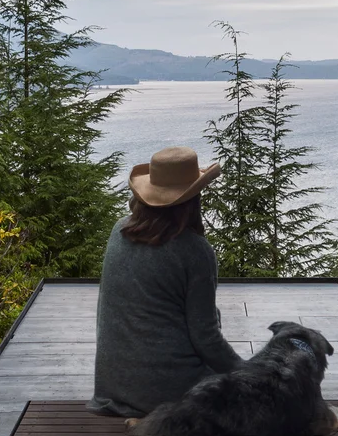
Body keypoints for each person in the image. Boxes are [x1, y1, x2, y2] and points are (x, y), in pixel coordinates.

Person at [87, 146, 243, 417]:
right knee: (247, 398)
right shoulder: (195, 251)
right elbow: (206, 339)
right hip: (170, 394)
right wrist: (248, 372)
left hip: (113, 387)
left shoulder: (119, 230)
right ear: (192, 199)